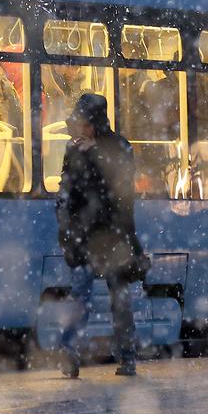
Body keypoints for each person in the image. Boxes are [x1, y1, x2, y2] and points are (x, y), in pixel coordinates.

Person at [55, 93, 147, 378]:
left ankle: (127, 356)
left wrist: (94, 154)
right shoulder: (75, 151)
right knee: (84, 294)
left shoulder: (118, 148)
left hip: (113, 235)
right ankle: (70, 351)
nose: (77, 130)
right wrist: (65, 224)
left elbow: (120, 189)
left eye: (81, 123)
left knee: (115, 297)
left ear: (93, 124)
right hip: (86, 235)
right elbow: (67, 191)